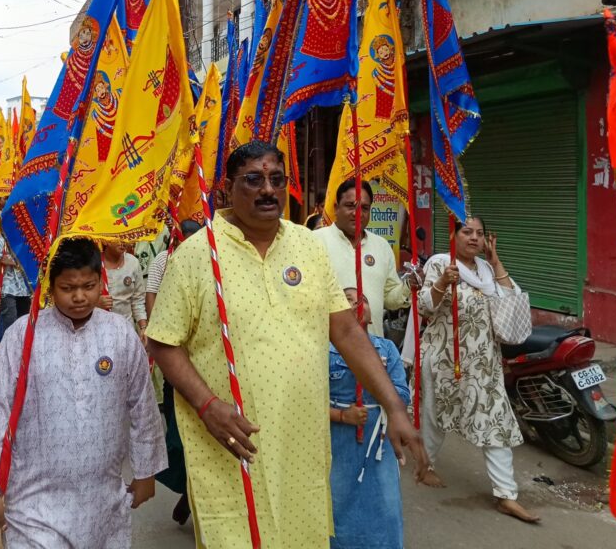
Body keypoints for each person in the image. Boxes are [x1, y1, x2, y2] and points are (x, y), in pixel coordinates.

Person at [147, 141, 427, 549]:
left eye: (277, 180)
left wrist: (394, 407)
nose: (267, 190)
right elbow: (163, 342)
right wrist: (207, 406)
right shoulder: (194, 256)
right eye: (253, 179)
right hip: (231, 446)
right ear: (227, 189)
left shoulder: (308, 246)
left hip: (302, 446)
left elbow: (347, 331)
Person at [0, 237, 167, 549]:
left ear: (100, 281)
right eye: (68, 288)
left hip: (104, 502)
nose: (79, 297)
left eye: (89, 286)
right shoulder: (23, 336)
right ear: (50, 287)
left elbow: (141, 405)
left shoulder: (119, 333)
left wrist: (147, 471)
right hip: (33, 503)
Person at [418, 216, 539, 523]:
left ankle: (506, 495)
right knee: (435, 417)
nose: (474, 238)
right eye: (467, 232)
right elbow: (424, 306)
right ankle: (424, 465)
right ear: (454, 235)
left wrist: (496, 263)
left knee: (495, 421)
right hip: (446, 358)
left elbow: (513, 303)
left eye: (480, 233)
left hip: (484, 364)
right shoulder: (440, 263)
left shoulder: (485, 271)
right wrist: (444, 281)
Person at [329, 286, 410, 549]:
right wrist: (342, 415)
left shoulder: (387, 349)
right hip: (336, 442)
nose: (355, 304)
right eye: (347, 300)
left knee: (384, 506)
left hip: (378, 442)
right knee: (336, 505)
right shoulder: (321, 351)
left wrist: (377, 378)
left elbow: (401, 394)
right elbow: (306, 402)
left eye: (361, 299)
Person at [145, 218, 202, 526]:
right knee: (179, 435)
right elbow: (151, 295)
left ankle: (192, 496)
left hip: (205, 356)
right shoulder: (161, 262)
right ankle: (188, 491)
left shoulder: (210, 261)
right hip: (174, 355)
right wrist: (160, 333)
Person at [316, 178, 415, 338]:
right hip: (328, 348)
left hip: (372, 347)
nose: (357, 214)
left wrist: (409, 286)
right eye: (350, 206)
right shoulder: (315, 241)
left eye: (364, 208)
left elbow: (390, 299)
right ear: (336, 208)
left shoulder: (381, 246)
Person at [0, 200, 31, 338]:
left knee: (23, 321)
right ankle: (6, 349)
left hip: (26, 288)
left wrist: (15, 262)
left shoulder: (27, 241)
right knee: (9, 319)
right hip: (7, 287)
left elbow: (33, 263)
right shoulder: (1, 242)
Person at [102, 241, 147, 336]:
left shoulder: (133, 263)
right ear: (105, 240)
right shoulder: (95, 263)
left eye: (124, 237)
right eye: (117, 237)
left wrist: (143, 328)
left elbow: (138, 300)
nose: (122, 242)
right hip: (102, 331)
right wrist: (96, 304)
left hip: (127, 330)